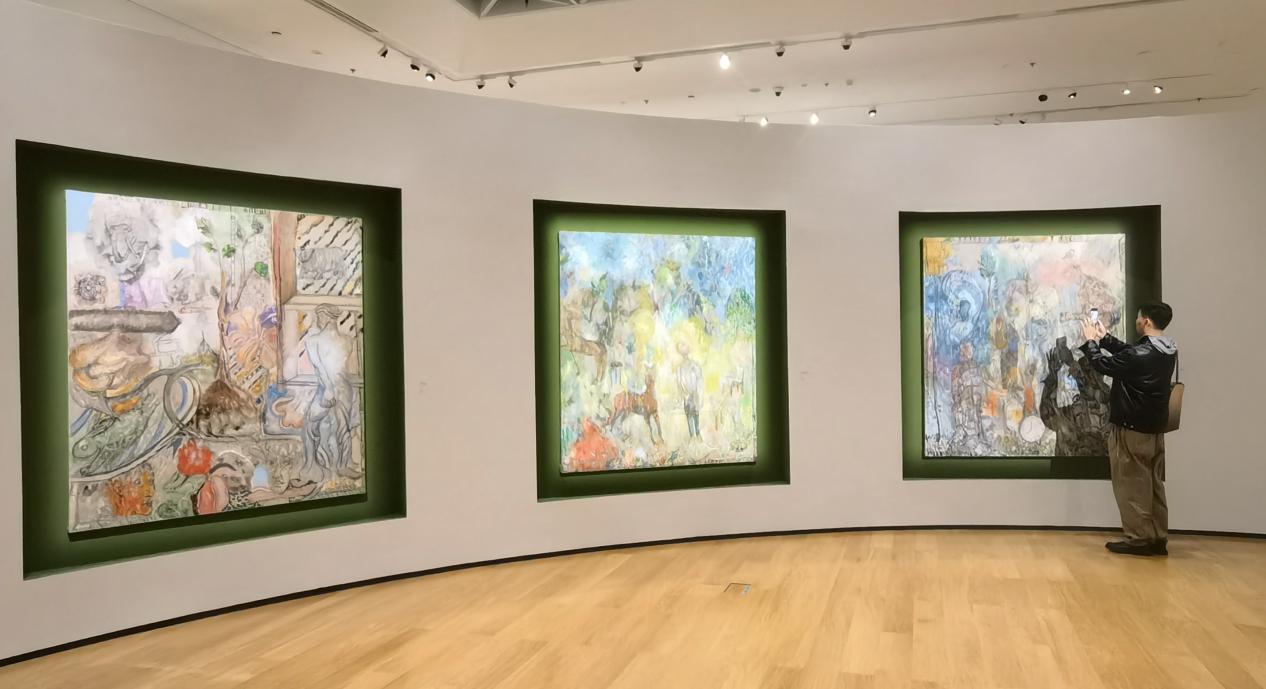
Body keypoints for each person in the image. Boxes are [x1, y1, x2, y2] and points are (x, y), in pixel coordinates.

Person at [1079, 302, 1177, 556]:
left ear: (1146, 321)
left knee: (1132, 483)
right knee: (1154, 484)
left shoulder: (1139, 354)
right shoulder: (1167, 350)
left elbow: (1104, 365)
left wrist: (1090, 342)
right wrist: (1106, 339)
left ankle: (1139, 539)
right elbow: (1132, 354)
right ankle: (1157, 537)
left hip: (1132, 429)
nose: (1136, 321)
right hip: (1154, 429)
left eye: (1138, 318)